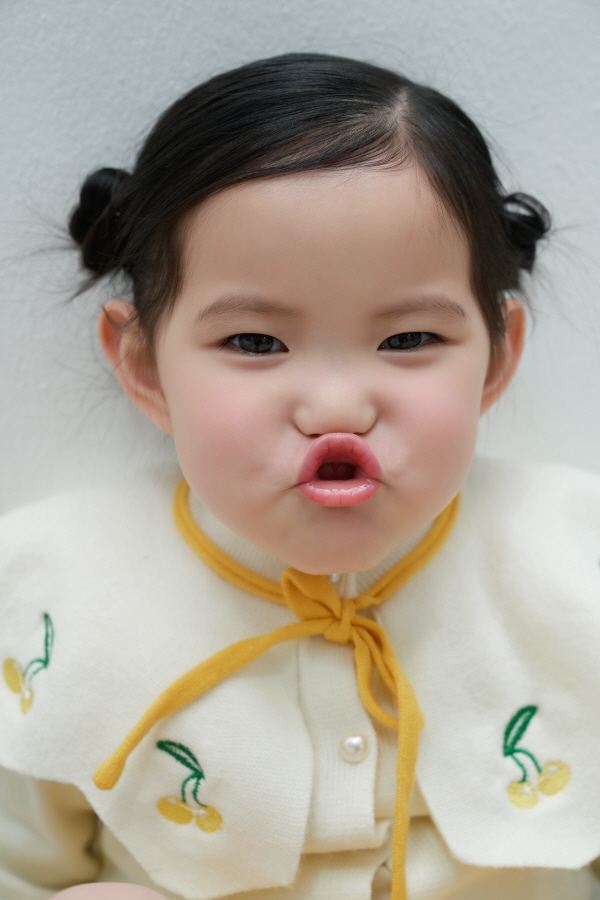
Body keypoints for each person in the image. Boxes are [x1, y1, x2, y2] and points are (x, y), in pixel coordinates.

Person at [1, 52, 600, 900]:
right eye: (254, 342)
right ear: (143, 366)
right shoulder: (52, 587)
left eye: (409, 340)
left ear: (497, 358)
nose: (336, 405)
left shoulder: (576, 558)